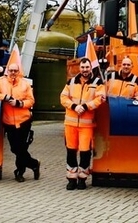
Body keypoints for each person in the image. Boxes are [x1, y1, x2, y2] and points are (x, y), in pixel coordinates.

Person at [0, 63, 40, 182]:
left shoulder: (25, 84)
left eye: (15, 71)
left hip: (24, 121)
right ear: (7, 71)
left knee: (21, 148)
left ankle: (19, 172)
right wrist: (5, 97)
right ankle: (34, 164)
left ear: (18, 72)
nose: (12, 73)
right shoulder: (0, 83)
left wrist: (19, 103)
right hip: (9, 122)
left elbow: (31, 101)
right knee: (15, 148)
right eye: (11, 70)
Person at [60, 58, 105, 190]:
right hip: (70, 123)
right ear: (79, 68)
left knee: (85, 152)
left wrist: (85, 106)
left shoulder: (98, 82)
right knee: (71, 151)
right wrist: (74, 106)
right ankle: (71, 178)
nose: (85, 70)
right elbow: (63, 98)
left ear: (91, 68)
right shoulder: (71, 81)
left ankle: (82, 178)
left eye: (87, 67)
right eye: (83, 67)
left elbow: (101, 98)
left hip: (86, 125)